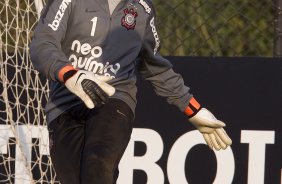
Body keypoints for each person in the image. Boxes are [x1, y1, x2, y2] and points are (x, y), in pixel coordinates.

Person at [29, 0, 232, 183]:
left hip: (114, 100)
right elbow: (42, 45)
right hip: (65, 106)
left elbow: (155, 66)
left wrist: (193, 109)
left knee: (98, 164)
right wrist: (73, 76)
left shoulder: (142, 9)